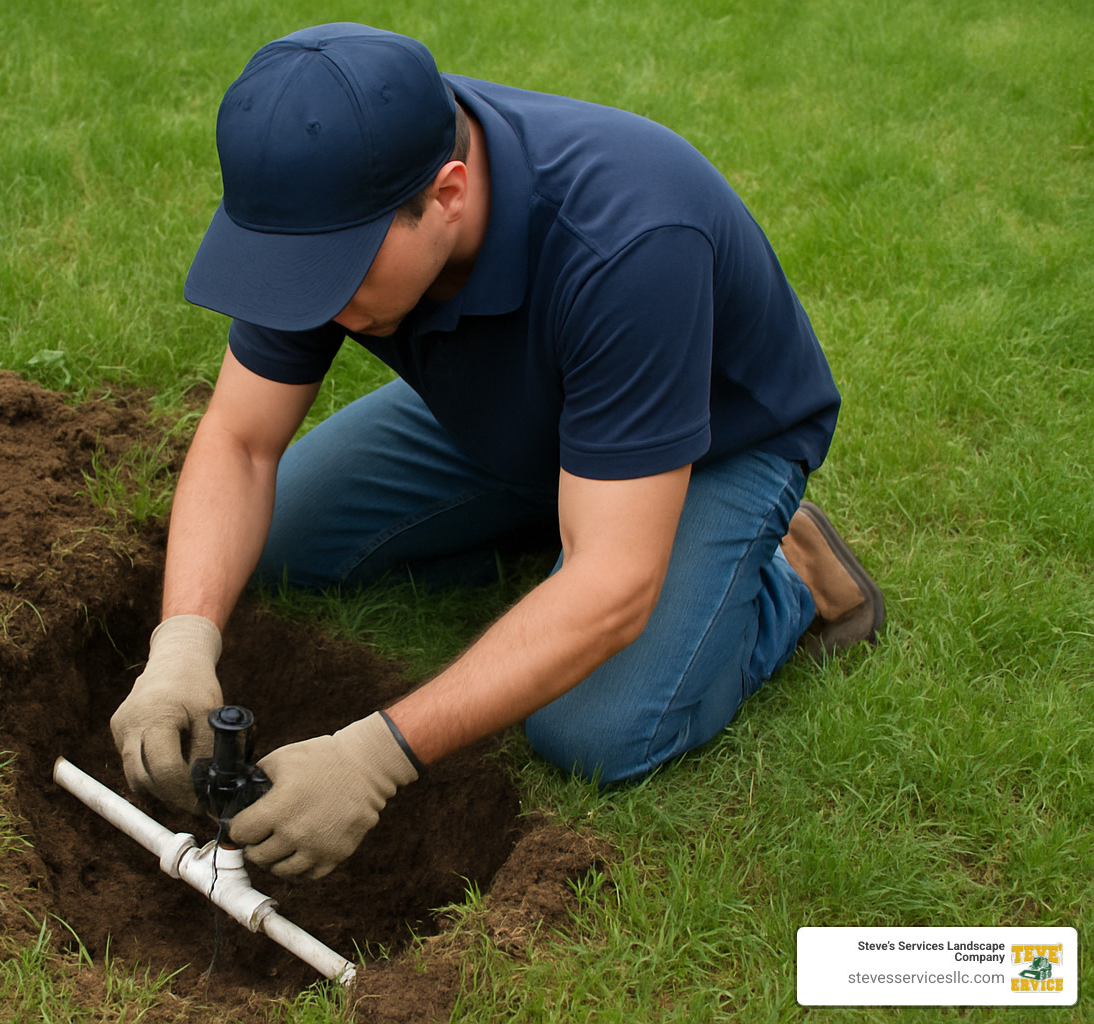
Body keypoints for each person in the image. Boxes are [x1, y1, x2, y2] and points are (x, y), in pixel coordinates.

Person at [110, 23, 885, 880]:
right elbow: (242, 442)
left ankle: (786, 578)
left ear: (448, 193)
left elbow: (615, 588)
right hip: (514, 411)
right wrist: (182, 640)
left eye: (338, 276)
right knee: (283, 538)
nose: (315, 307)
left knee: (595, 731)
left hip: (715, 443)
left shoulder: (631, 241)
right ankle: (571, 525)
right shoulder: (333, 190)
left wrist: (376, 755)